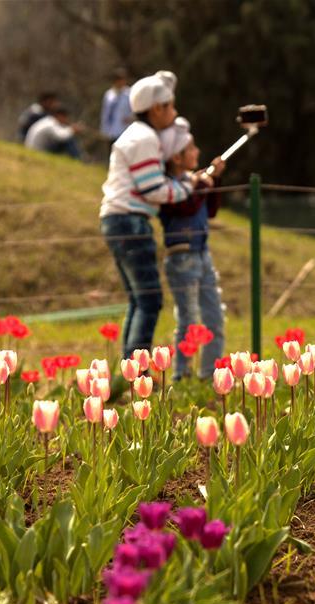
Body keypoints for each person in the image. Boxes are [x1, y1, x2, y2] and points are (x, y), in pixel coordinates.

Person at [100, 74, 212, 361]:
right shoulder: (145, 138)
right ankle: (137, 371)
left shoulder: (135, 135)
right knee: (150, 300)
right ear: (157, 109)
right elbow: (153, 190)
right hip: (130, 221)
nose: (174, 115)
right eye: (171, 108)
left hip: (118, 219)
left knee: (139, 300)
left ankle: (129, 369)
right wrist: (188, 186)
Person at [159, 117, 226, 380]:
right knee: (188, 319)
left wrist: (214, 182)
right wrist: (199, 186)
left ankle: (210, 374)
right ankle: (181, 374)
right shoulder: (170, 188)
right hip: (181, 256)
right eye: (191, 149)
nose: (197, 152)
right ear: (177, 157)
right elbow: (184, 207)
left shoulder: (193, 182)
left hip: (202, 254)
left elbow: (209, 210)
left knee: (214, 316)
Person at [100, 67, 133, 144]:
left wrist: (131, 118)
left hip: (126, 130)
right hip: (112, 131)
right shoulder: (109, 95)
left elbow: (134, 110)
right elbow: (105, 113)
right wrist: (104, 130)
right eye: (119, 80)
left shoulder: (129, 93)